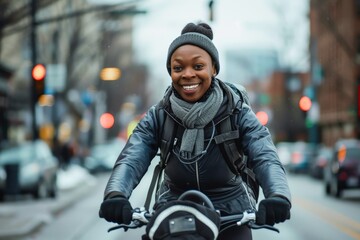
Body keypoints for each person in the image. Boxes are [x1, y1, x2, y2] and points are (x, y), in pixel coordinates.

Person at [99, 22, 291, 240]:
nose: (187, 74)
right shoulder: (159, 115)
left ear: (214, 69)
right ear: (170, 71)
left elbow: (264, 154)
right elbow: (133, 156)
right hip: (174, 208)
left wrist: (278, 195)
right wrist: (116, 194)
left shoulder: (237, 111)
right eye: (178, 68)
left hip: (231, 212)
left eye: (198, 66)